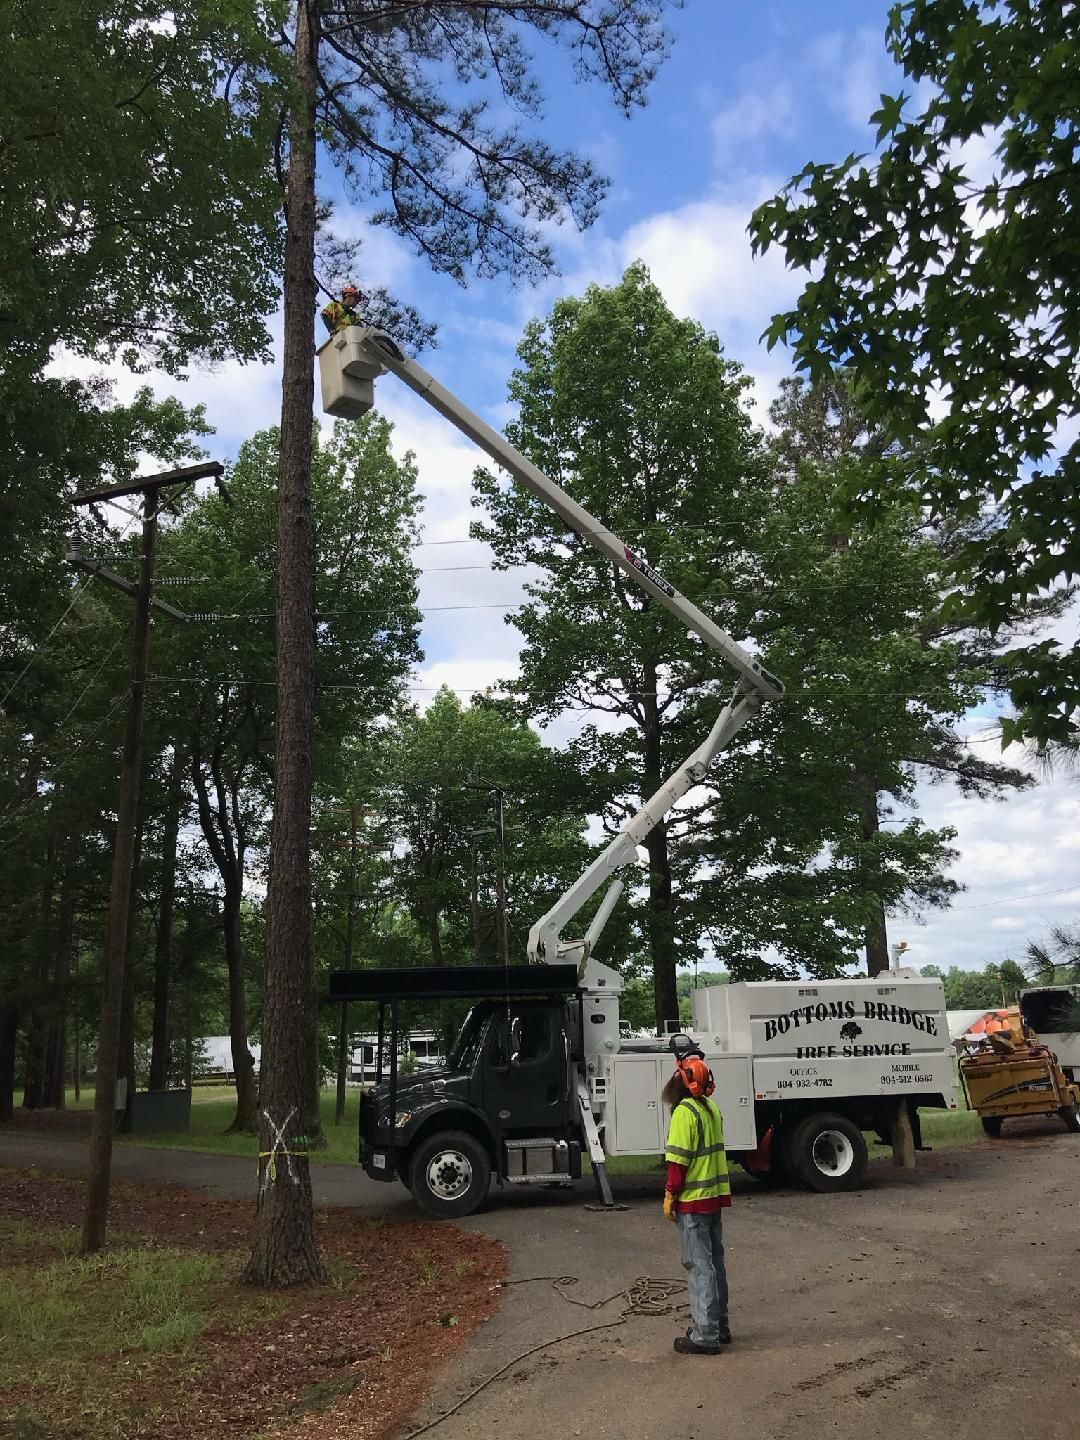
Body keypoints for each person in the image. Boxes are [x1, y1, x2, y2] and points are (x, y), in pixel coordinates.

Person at [663, 1050, 732, 1355]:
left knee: (699, 1266)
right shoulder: (711, 1108)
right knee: (715, 1263)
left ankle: (705, 1335)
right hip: (714, 1199)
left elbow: (678, 1163)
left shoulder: (684, 1113)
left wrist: (670, 1195)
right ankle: (721, 1326)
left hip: (692, 1202)